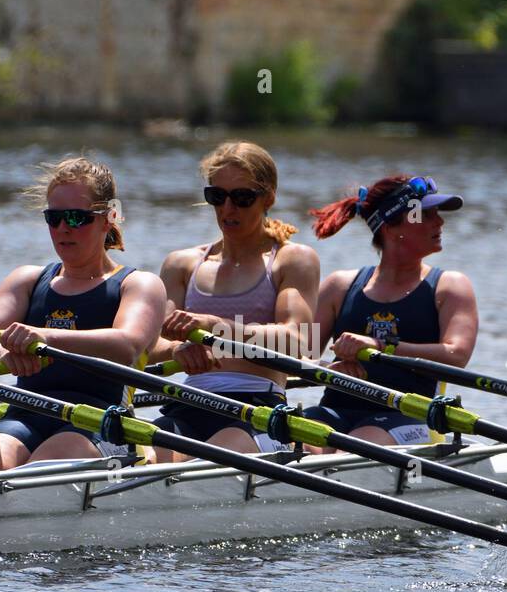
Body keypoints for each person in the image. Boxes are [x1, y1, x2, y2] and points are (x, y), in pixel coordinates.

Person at [0, 156, 165, 469]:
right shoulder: (27, 280)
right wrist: (5, 354)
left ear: (109, 217)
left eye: (77, 218)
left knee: (45, 468)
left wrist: (45, 338)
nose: (63, 228)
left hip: (102, 421)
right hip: (24, 415)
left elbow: (127, 344)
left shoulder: (138, 284)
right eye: (54, 218)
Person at [149, 141, 320, 461]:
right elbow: (148, 345)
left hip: (257, 405)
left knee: (217, 452)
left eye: (242, 198)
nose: (228, 209)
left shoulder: (291, 260)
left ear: (268, 198)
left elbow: (299, 341)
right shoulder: (181, 264)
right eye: (217, 197)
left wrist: (217, 329)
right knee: (152, 454)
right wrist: (176, 349)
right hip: (190, 403)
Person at [304, 174, 478, 448]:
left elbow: (457, 356)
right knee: (297, 441)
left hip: (411, 416)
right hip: (334, 411)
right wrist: (329, 369)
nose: (439, 221)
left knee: (357, 446)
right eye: (427, 214)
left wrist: (380, 347)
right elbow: (299, 355)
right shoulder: (339, 286)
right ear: (390, 227)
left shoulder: (450, 287)